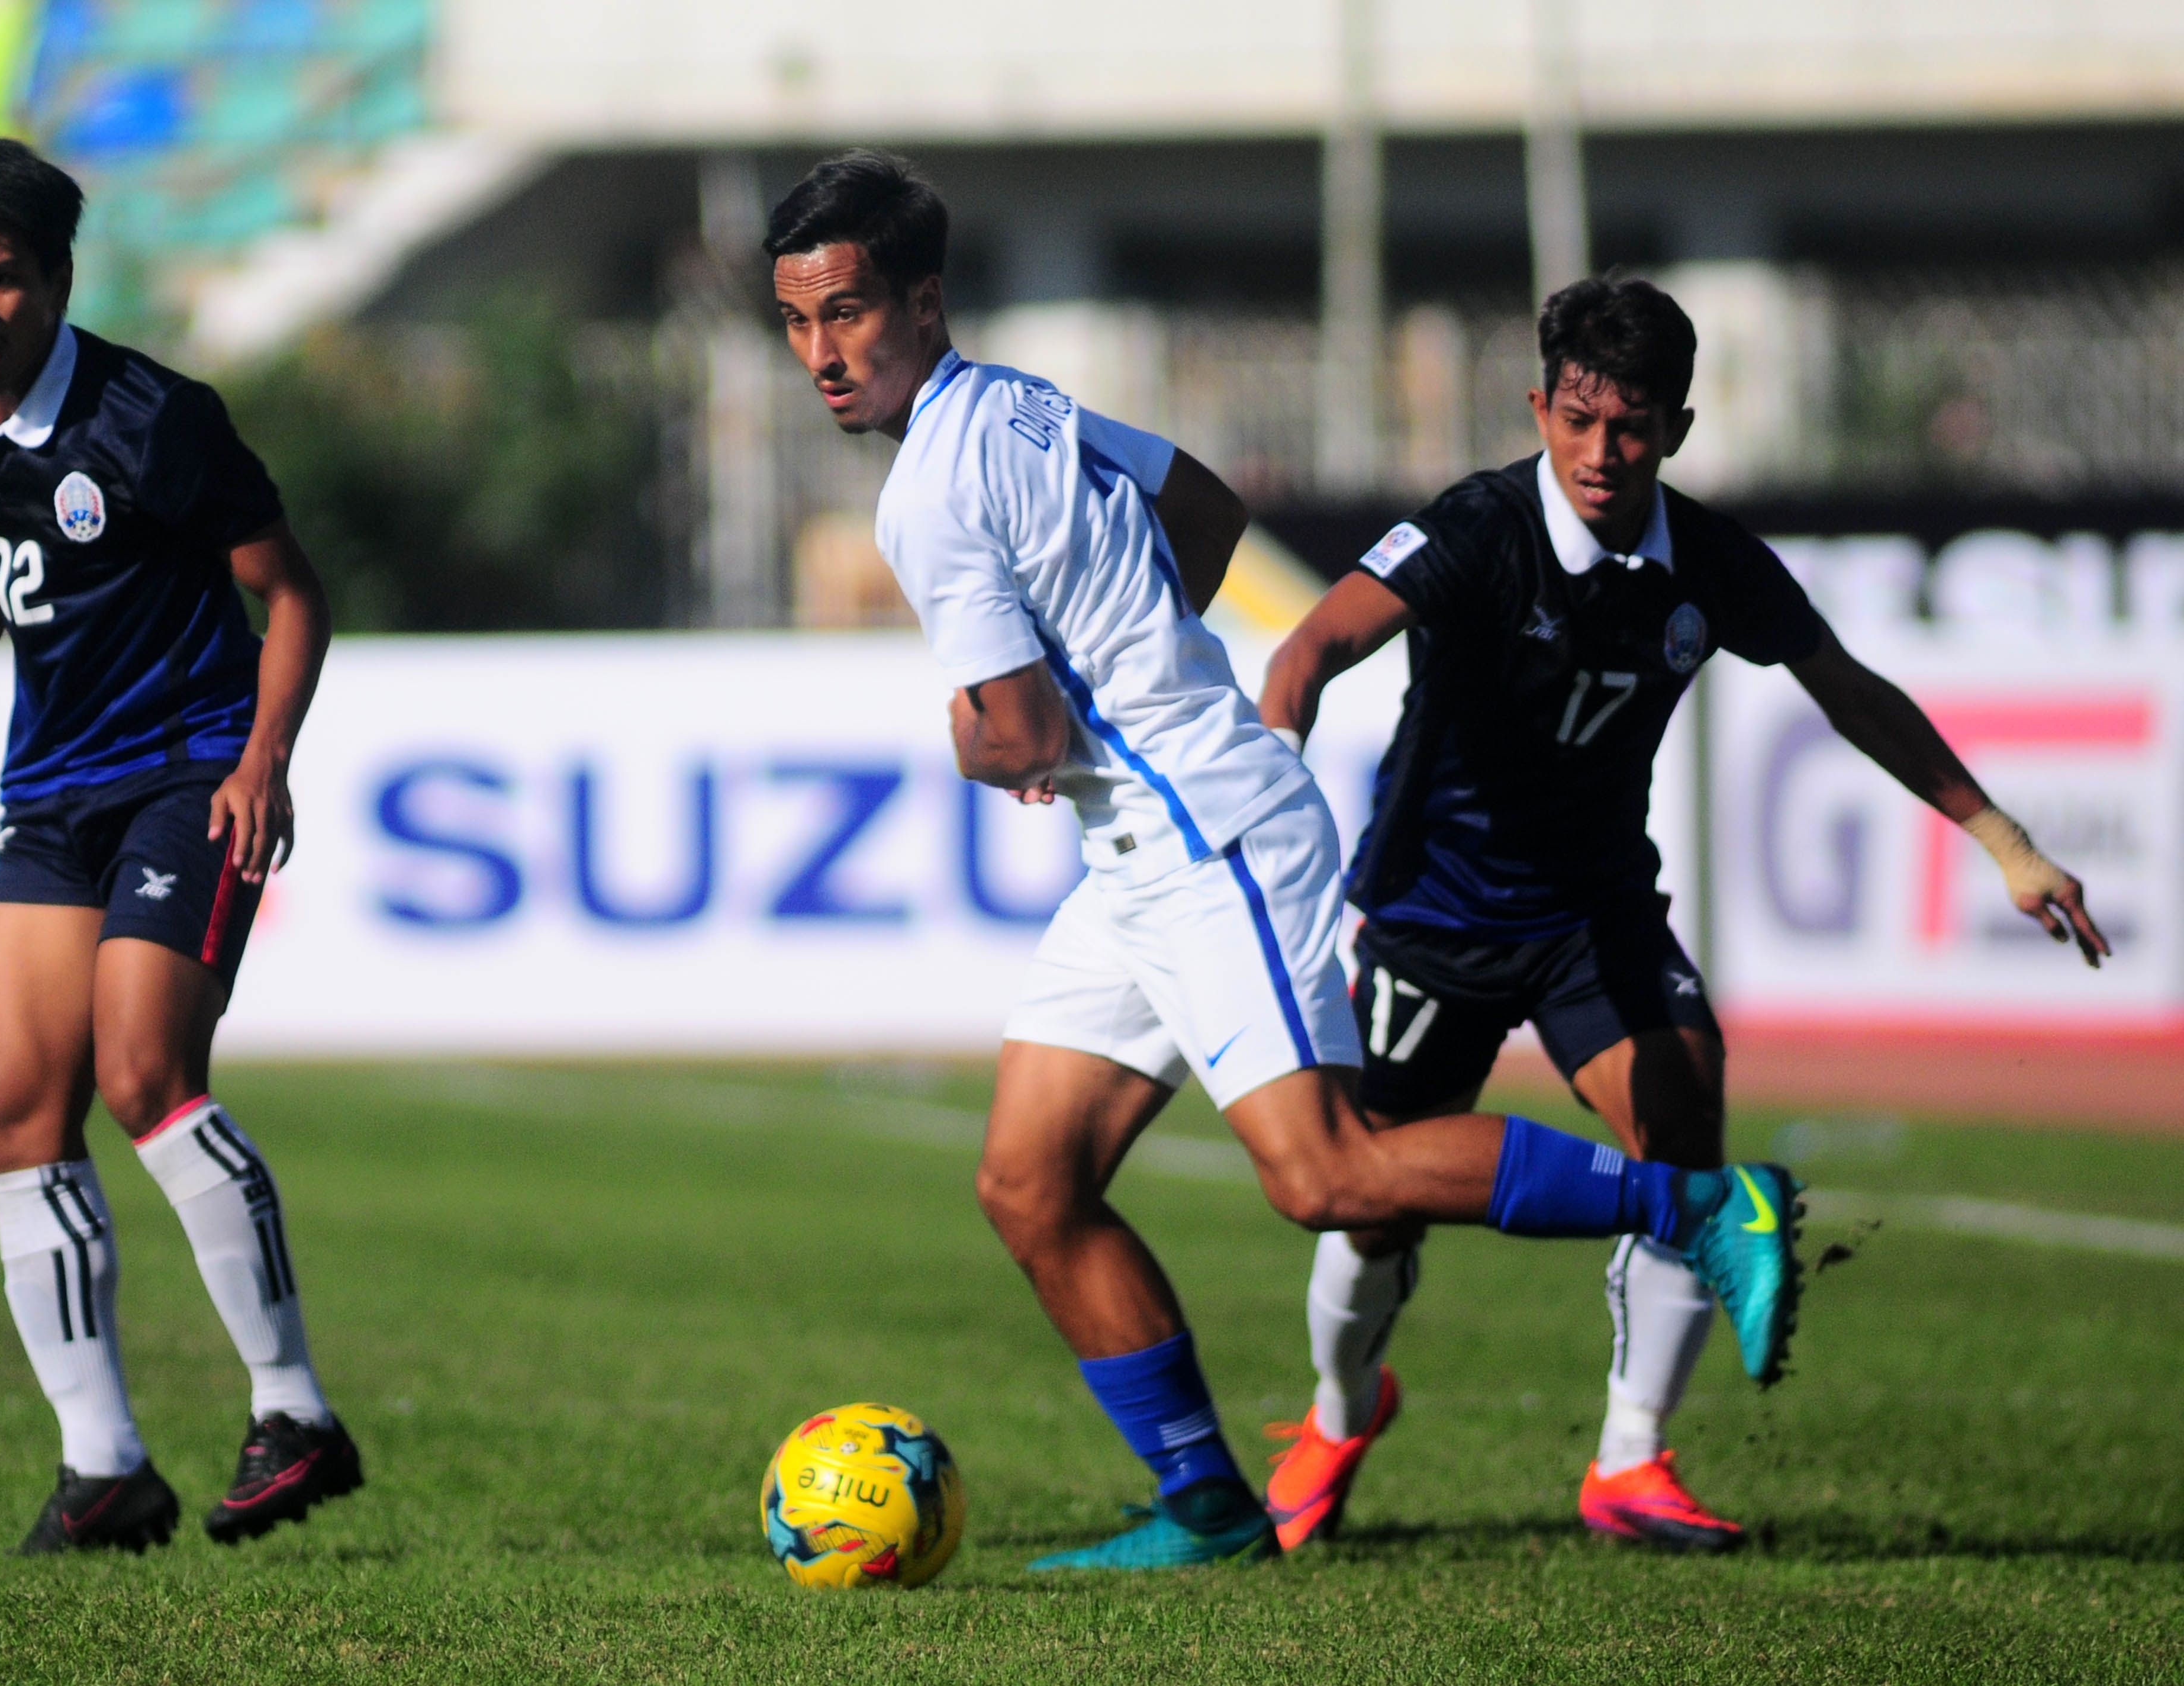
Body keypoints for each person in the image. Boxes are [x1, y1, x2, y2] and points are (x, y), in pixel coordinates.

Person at [766, 152, 1808, 1572]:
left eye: (848, 313)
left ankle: (1697, 1202)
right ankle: (1204, 1504)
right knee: (1028, 1182)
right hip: (1139, 842)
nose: (822, 354)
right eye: (797, 323)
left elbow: (1009, 735)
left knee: (1324, 1176)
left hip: (1203, 832)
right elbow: (1200, 506)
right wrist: (1134, 659)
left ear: (923, 298)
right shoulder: (1019, 401)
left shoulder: (926, 494)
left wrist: (1005, 735)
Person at [1252, 275, 2109, 1555]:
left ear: (1677, 429)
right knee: (1365, 1203)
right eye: (1580, 421)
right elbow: (1305, 649)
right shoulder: (1474, 529)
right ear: (1540, 408)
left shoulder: (1708, 561)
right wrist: (1274, 798)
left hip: (1593, 911)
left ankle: (1629, 1460)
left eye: (1634, 427)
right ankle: (1336, 1412)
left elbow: (1848, 692)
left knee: (1685, 1127)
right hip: (1431, 912)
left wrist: (2002, 838)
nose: (1603, 454)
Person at [0, 131, 362, 1554]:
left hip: (190, 776)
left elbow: (293, 593)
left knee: (145, 1070)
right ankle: (106, 1467)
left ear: (57, 280)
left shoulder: (155, 420)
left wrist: (264, 758)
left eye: (2, 282)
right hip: (52, 798)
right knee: (12, 1116)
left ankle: (295, 1412)